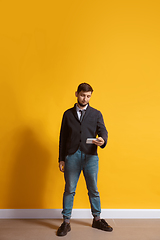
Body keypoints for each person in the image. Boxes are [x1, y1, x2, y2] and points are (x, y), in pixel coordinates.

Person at [57, 83, 113, 236]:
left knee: (93, 190)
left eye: (88, 96)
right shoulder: (67, 114)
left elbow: (103, 130)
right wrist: (61, 158)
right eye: (82, 95)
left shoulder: (96, 114)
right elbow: (62, 137)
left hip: (91, 156)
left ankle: (97, 219)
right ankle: (66, 222)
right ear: (77, 94)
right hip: (71, 156)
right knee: (69, 189)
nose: (85, 98)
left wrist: (103, 140)